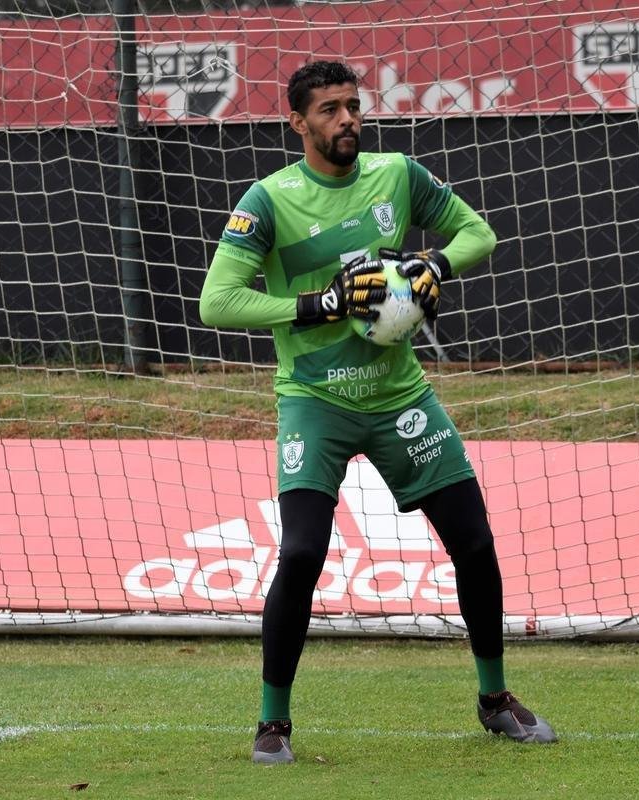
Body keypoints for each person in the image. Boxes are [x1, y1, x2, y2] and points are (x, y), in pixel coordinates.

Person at [199, 60, 557, 765]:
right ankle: (273, 723)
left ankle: (494, 700)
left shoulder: (396, 173)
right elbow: (217, 302)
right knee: (300, 552)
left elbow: (476, 234)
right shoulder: (267, 201)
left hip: (399, 399)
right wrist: (320, 304)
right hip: (314, 403)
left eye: (353, 107)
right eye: (329, 110)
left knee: (475, 543)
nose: (347, 121)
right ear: (297, 123)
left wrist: (435, 267)